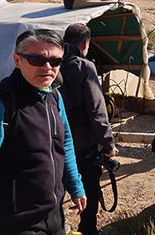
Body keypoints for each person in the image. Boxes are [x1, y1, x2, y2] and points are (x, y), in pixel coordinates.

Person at [0, 29, 86, 234]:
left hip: (53, 217)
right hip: (13, 224)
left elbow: (65, 143)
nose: (47, 67)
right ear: (17, 60)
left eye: (55, 62)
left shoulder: (54, 96)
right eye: (37, 60)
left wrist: (75, 185)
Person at [60, 24, 118, 235]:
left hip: (55, 142)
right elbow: (97, 111)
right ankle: (87, 230)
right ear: (85, 43)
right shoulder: (84, 67)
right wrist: (108, 144)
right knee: (89, 189)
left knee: (56, 191)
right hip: (83, 144)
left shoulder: (52, 64)